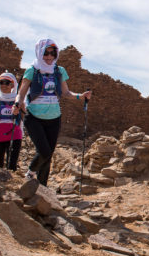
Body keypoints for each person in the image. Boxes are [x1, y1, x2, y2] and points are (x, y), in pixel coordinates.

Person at [13, 39, 91, 185]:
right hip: (34, 117)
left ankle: (43, 187)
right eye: (46, 53)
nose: (49, 57)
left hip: (54, 118)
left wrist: (80, 96)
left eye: (52, 53)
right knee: (44, 152)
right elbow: (21, 92)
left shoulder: (59, 71)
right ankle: (30, 172)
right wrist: (17, 103)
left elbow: (66, 93)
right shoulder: (32, 70)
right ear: (39, 53)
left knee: (48, 155)